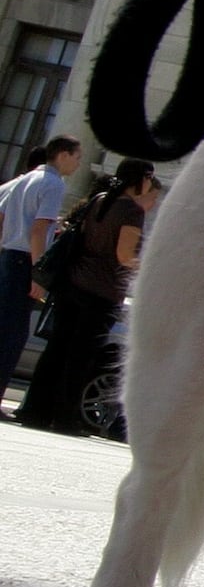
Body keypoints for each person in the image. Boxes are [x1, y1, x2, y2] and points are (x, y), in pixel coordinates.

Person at [17, 158, 157, 436]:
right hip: (102, 292)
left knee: (57, 349)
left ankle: (35, 409)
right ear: (140, 178)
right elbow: (124, 256)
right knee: (81, 356)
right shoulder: (131, 211)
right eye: (149, 178)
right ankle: (65, 417)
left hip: (74, 284)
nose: (151, 183)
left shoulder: (100, 200)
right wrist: (153, 264)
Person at [0, 134, 80, 409]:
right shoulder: (53, 183)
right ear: (63, 154)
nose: (78, 164)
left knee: (5, 327)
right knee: (13, 333)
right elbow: (39, 228)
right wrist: (39, 272)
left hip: (10, 255)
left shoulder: (25, 179)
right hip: (26, 260)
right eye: (77, 156)